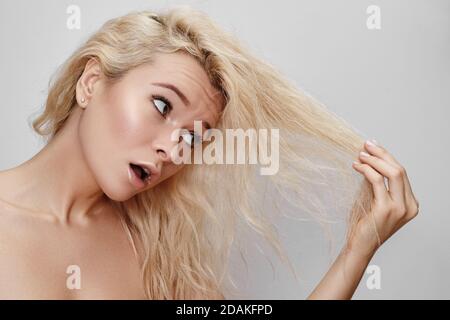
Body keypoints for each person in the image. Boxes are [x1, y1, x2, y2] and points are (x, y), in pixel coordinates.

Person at [0, 7, 419, 299]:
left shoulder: (157, 253)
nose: (172, 148)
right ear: (91, 81)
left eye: (195, 137)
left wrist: (359, 247)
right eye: (162, 106)